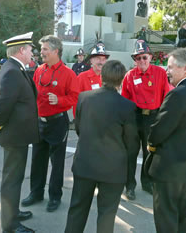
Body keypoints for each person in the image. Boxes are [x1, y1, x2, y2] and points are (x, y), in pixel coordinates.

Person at [65, 60, 138, 233]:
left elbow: (80, 128)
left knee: (77, 210)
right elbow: (131, 143)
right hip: (113, 169)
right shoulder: (127, 106)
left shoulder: (84, 98)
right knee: (107, 214)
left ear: (102, 76)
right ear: (121, 80)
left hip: (85, 164)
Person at [147, 48, 186, 233]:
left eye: (171, 67)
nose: (167, 71)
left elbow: (159, 131)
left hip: (169, 170)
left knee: (166, 219)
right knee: (182, 218)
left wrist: (151, 141)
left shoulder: (177, 94)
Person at [0, 32, 39, 233]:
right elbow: (4, 106)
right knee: (12, 181)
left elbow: (10, 104)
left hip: (18, 135)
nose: (32, 52)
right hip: (14, 137)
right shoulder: (11, 71)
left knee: (15, 179)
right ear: (21, 50)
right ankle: (10, 225)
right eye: (30, 49)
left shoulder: (15, 68)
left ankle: (13, 212)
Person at [21, 35, 79, 213]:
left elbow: (75, 97)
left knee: (57, 162)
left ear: (56, 51)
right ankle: (36, 193)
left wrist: (60, 100)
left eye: (45, 49)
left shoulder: (69, 74)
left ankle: (55, 196)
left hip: (57, 123)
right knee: (37, 159)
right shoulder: (39, 70)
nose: (41, 52)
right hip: (39, 122)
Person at [121, 40, 169, 199]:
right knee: (131, 153)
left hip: (153, 118)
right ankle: (129, 185)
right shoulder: (130, 75)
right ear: (134, 60)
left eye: (144, 57)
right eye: (138, 58)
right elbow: (124, 100)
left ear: (150, 57)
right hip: (134, 119)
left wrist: (162, 120)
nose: (141, 61)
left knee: (149, 153)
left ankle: (147, 183)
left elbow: (165, 97)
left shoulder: (160, 73)